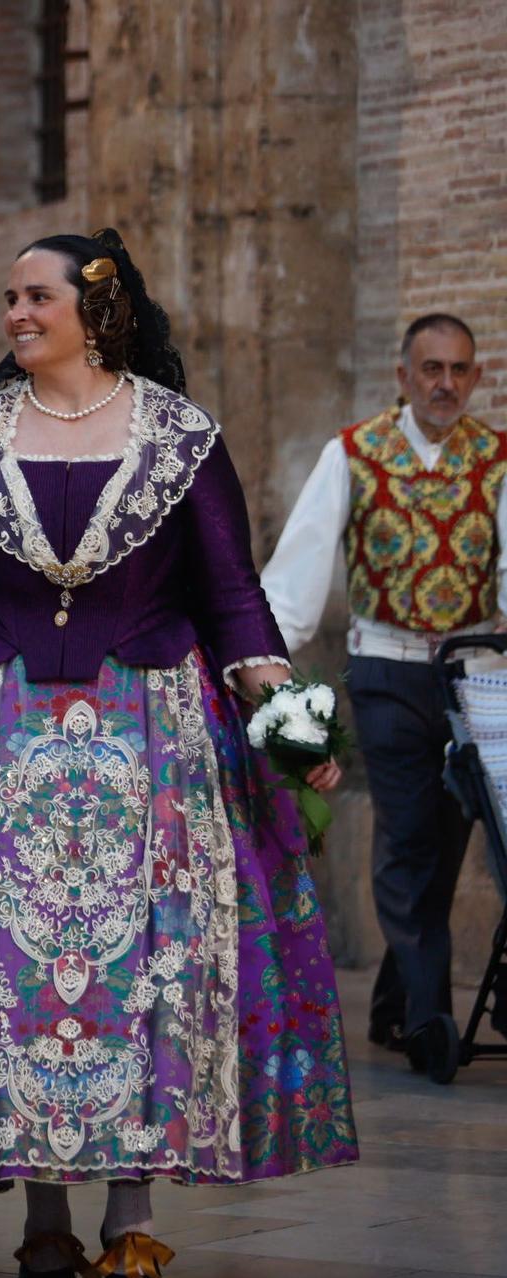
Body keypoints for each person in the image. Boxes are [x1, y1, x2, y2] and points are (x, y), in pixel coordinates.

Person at [0, 230, 359, 1278]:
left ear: (93, 313)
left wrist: (282, 715)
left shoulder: (178, 437)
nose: (14, 313)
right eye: (6, 296)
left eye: (34, 296)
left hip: (147, 742)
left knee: (142, 968)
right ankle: (43, 1223)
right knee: (5, 970)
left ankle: (130, 1218)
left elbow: (232, 596)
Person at [261, 313, 496, 1079]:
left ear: (477, 376)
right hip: (386, 669)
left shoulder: (496, 457)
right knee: (407, 835)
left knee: (454, 836)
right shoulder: (354, 452)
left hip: (469, 675)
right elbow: (300, 567)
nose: (445, 383)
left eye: (459, 369)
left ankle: (394, 998)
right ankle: (432, 1019)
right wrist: (262, 654)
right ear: (403, 376)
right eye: (432, 368)